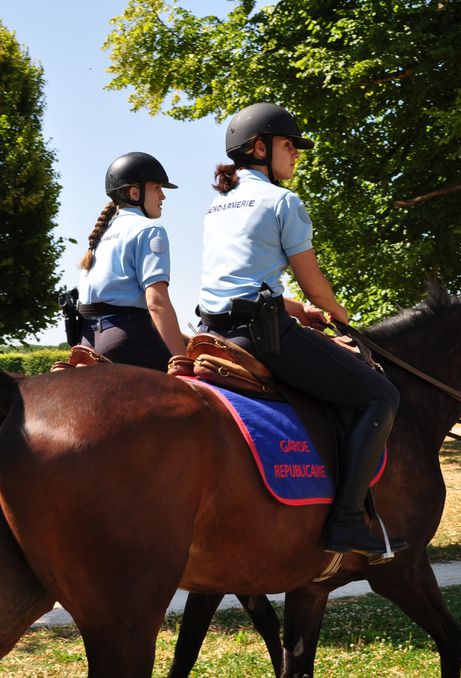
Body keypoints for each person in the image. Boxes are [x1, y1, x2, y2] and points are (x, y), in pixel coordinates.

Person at [197, 102, 406, 558]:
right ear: (259, 147)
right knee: (381, 396)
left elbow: (238, 283)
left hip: (213, 331)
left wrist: (297, 310)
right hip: (263, 336)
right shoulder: (283, 201)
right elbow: (314, 282)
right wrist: (338, 315)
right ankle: (348, 520)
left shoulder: (217, 205)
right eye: (289, 145)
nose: (296, 155)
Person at [77, 152, 186, 371]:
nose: (163, 196)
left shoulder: (101, 234)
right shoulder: (149, 229)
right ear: (135, 192)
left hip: (87, 343)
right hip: (126, 340)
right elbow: (156, 304)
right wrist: (184, 360)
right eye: (157, 188)